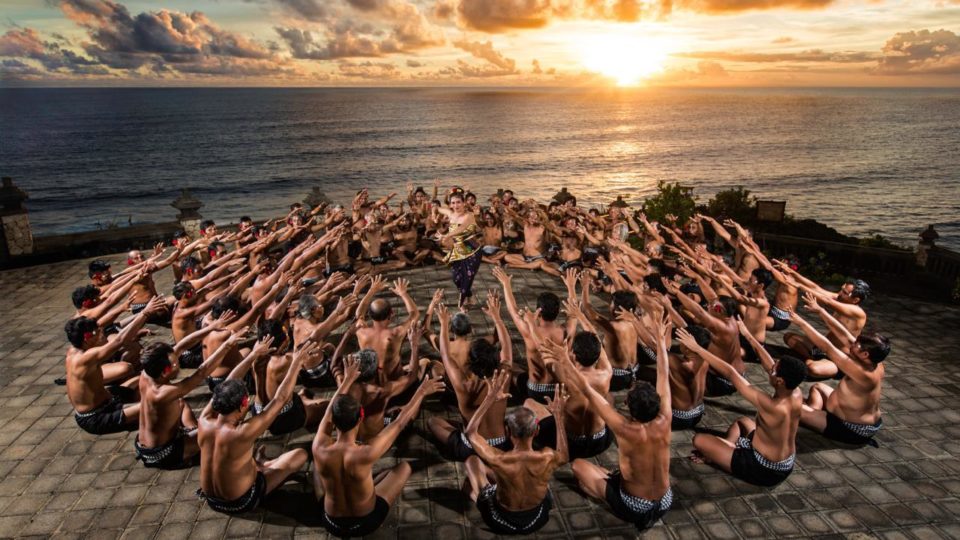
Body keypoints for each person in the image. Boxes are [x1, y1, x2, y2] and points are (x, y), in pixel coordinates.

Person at [543, 314, 674, 530]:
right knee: (613, 472)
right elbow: (663, 372)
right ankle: (615, 483)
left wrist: (565, 360)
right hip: (665, 501)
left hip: (634, 505)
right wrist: (660, 342)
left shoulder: (623, 428)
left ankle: (615, 499)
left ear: (631, 409)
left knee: (578, 467)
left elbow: (586, 388)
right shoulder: (665, 418)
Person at [312, 357, 444, 537]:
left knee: (317, 469)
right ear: (360, 417)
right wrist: (420, 392)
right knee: (404, 467)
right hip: (365, 522)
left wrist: (347, 380)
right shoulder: (367, 452)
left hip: (330, 521)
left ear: (333, 422)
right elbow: (399, 423)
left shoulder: (319, 447)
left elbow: (328, 412)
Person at [196, 342, 317, 514]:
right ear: (244, 403)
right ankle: (264, 468)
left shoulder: (204, 419)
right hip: (240, 501)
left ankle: (261, 464)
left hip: (211, 500)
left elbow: (228, 381)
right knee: (300, 455)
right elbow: (280, 399)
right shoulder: (242, 432)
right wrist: (296, 363)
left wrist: (253, 355)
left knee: (242, 457)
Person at [681, 327, 807, 487]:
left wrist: (697, 348)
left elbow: (732, 373)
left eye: (774, 369)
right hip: (785, 463)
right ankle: (725, 450)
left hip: (763, 468)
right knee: (742, 422)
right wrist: (748, 335)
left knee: (699, 440)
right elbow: (769, 364)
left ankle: (721, 454)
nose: (771, 368)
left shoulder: (772, 406)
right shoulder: (795, 392)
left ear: (780, 381)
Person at [135, 323, 255, 469]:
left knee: (180, 403)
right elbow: (201, 373)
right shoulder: (162, 393)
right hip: (162, 452)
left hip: (148, 442)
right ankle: (197, 439)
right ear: (165, 371)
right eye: (175, 363)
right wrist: (227, 345)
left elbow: (181, 346)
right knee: (215, 430)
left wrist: (210, 328)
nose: (178, 362)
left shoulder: (146, 373)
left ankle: (194, 432)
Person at [463, 371, 568, 535]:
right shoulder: (548, 457)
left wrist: (489, 399)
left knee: (472, 462)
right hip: (537, 518)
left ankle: (475, 493)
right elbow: (564, 456)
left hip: (502, 521)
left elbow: (470, 433)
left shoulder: (498, 458)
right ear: (537, 430)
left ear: (507, 431)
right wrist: (559, 417)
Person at [427, 296, 515, 461]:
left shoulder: (464, 385)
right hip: (501, 445)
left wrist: (444, 324)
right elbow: (506, 345)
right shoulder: (504, 376)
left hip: (471, 447)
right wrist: (497, 316)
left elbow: (445, 354)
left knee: (433, 422)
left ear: (471, 361)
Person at [790, 304, 888, 445]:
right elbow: (843, 335)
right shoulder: (874, 361)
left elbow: (826, 346)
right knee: (818, 387)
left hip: (852, 428)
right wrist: (821, 311)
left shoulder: (863, 372)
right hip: (845, 413)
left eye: (857, 345)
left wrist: (801, 322)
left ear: (865, 354)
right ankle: (812, 414)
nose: (852, 344)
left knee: (789, 405)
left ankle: (809, 415)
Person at [65, 296, 164, 435]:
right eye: (98, 333)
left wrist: (121, 309)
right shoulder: (84, 358)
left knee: (143, 379)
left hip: (108, 401)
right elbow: (119, 341)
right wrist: (145, 313)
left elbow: (102, 323)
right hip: (96, 417)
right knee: (159, 408)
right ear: (87, 338)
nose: (102, 334)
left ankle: (138, 409)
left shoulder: (74, 347)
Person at [528, 329, 614, 459]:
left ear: (573, 353)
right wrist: (581, 316)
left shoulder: (562, 373)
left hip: (571, 443)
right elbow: (600, 349)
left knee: (529, 403)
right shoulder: (607, 373)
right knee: (609, 399)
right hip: (599, 441)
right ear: (597, 356)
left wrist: (530, 323)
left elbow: (542, 349)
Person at [492, 266, 567, 404]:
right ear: (558, 312)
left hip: (534, 389)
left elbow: (512, 310)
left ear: (538, 311)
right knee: (519, 368)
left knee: (510, 367)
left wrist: (506, 284)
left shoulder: (528, 330)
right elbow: (574, 317)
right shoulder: (564, 332)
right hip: (556, 389)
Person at [436, 192, 483, 309]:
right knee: (456, 278)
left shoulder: (469, 215)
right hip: (458, 251)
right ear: (450, 204)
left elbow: (461, 228)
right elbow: (438, 208)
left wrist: (446, 235)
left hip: (473, 251)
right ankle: (469, 296)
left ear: (464, 203)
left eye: (458, 202)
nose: (456, 205)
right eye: (453, 203)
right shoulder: (451, 214)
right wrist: (433, 211)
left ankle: (461, 305)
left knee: (467, 278)